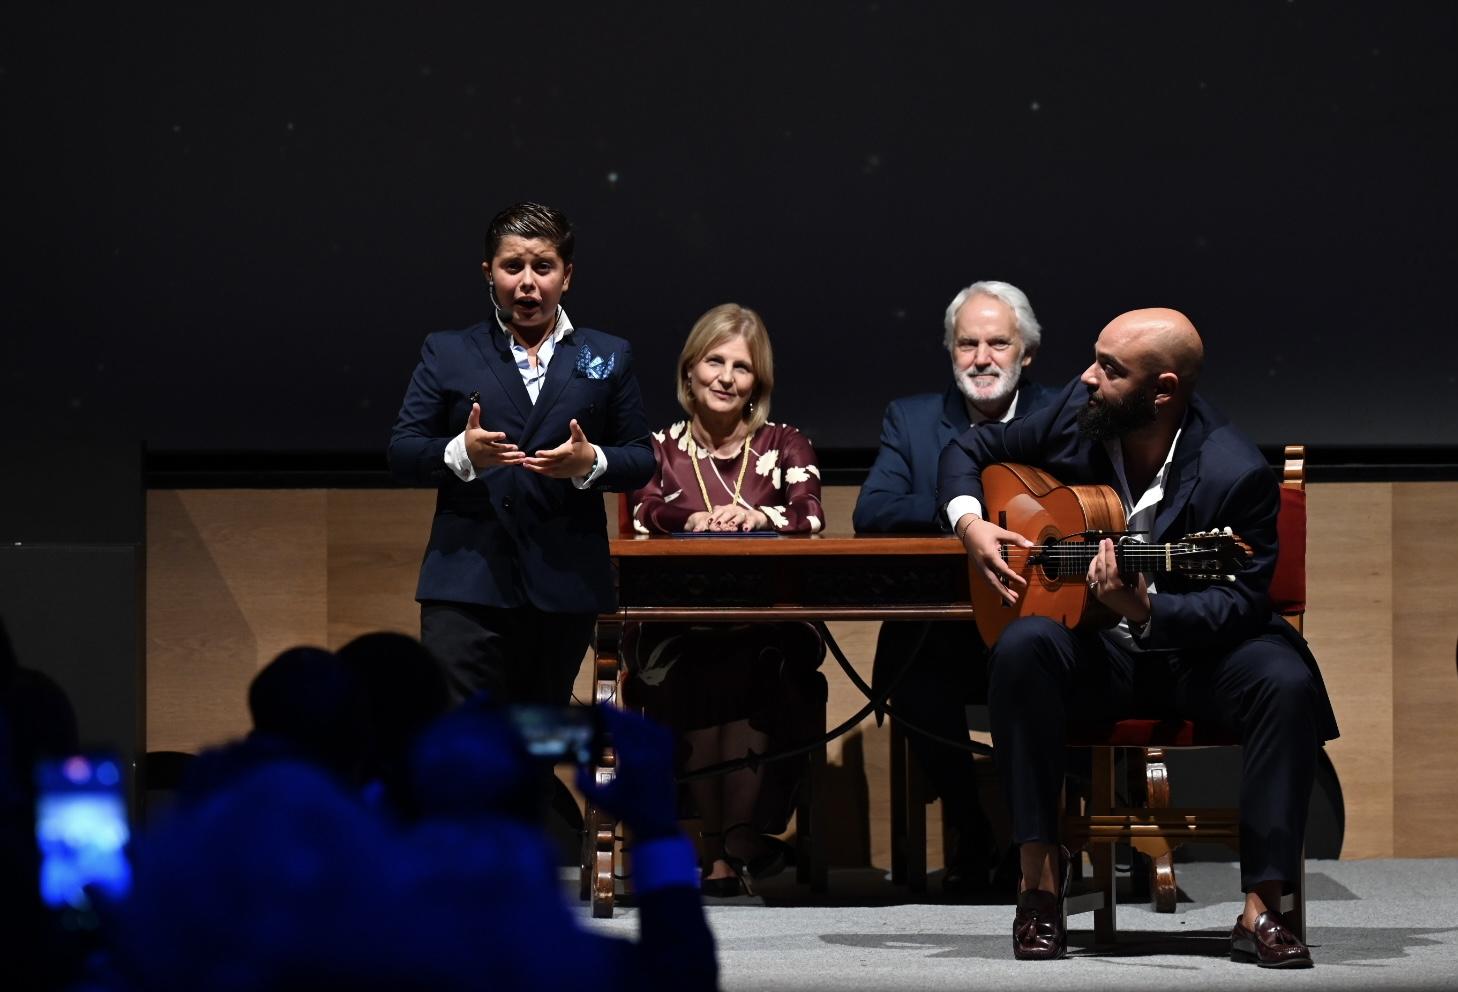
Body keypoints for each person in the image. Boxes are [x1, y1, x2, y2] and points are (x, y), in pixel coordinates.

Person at [938, 308, 1338, 966]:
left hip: (1198, 658)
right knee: (1021, 648)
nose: (1088, 378)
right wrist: (971, 524)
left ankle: (1263, 905)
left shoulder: (1234, 472)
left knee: (1285, 679)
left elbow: (1238, 599)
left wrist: (1148, 610)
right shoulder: (1078, 409)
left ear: (1163, 390)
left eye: (1111, 370)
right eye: (1094, 359)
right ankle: (1037, 882)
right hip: (1100, 654)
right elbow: (968, 450)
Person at [389, 202, 654, 706]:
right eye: (513, 267)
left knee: (533, 751)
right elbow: (402, 452)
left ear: (567, 275)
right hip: (465, 586)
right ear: (490, 273)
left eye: (543, 267)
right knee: (467, 751)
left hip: (563, 585)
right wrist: (459, 452)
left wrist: (590, 462)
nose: (527, 282)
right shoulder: (448, 351)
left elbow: (640, 459)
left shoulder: (607, 354)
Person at [853, 280, 1055, 896]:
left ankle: (1043, 841)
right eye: (967, 344)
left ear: (1027, 354)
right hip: (943, 629)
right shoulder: (911, 419)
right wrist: (969, 515)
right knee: (908, 667)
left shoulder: (1061, 414)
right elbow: (875, 511)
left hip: (1037, 619)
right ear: (950, 351)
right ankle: (972, 832)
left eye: (999, 343)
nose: (982, 357)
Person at [627, 303, 827, 895]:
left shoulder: (785, 443)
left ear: (756, 383)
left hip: (764, 628)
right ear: (689, 371)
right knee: (696, 670)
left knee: (757, 666)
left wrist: (757, 515)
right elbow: (641, 511)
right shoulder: (655, 449)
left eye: (741, 367)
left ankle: (732, 842)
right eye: (714, 361)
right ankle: (720, 847)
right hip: (676, 631)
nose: (725, 377)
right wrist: (693, 521)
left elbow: (810, 516)